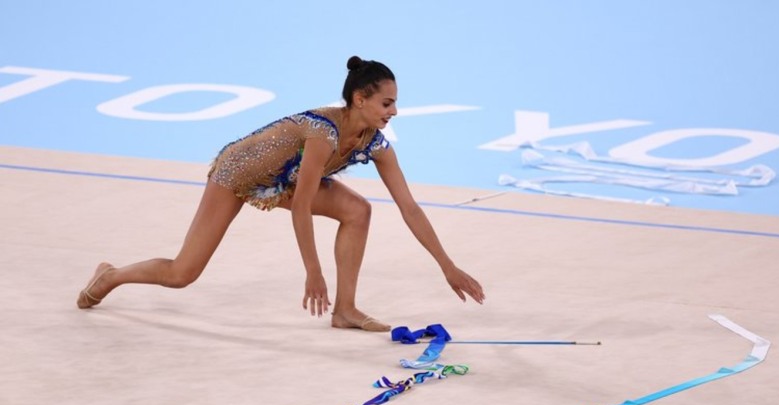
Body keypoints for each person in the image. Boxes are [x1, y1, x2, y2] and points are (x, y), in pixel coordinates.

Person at [77, 56, 485, 332]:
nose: (393, 111)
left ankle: (345, 310)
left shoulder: (374, 142)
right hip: (238, 172)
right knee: (182, 274)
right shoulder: (323, 132)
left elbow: (409, 208)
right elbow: (302, 205)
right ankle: (111, 275)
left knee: (358, 211)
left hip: (285, 177)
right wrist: (313, 270)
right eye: (386, 103)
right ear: (360, 99)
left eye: (395, 103)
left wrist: (447, 266)